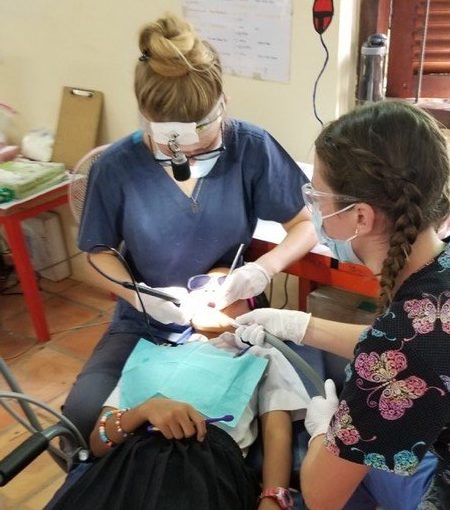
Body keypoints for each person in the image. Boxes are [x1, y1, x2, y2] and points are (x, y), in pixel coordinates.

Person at [62, 13, 317, 442]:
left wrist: (262, 270)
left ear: (224, 102)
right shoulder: (116, 168)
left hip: (232, 311)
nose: (192, 159)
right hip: (143, 321)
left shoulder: (251, 148)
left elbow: (305, 223)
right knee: (84, 419)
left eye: (207, 144)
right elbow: (96, 252)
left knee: (275, 415)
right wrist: (143, 298)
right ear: (145, 116)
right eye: (175, 148)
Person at [234, 100, 450, 509]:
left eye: (318, 197)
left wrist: (325, 428)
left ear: (361, 217)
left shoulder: (397, 350)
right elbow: (408, 340)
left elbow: (321, 496)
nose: (313, 208)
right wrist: (298, 324)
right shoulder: (439, 267)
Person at [46, 325, 310, 510]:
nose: (211, 298)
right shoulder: (152, 355)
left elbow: (277, 432)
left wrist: (274, 497)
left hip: (204, 466)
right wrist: (143, 411)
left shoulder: (262, 354)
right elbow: (99, 442)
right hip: (129, 462)